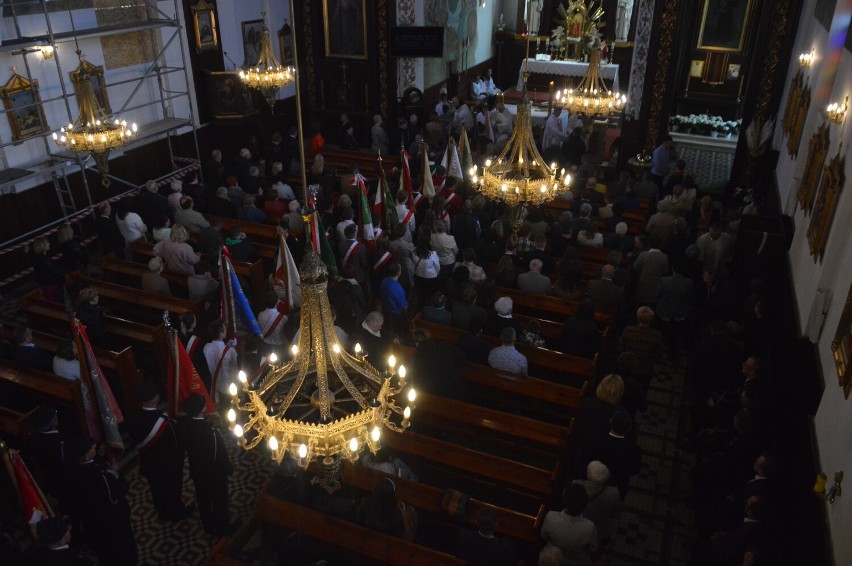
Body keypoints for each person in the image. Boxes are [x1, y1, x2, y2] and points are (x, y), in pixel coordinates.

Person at [125, 381, 190, 522]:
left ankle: (162, 512)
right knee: (172, 489)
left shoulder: (133, 417)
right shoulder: (164, 423)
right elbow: (175, 444)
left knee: (156, 489)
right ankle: (177, 512)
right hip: (167, 466)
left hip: (148, 464)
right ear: (155, 398)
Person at [66, 437, 137, 565]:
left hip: (93, 520)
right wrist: (115, 472)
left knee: (105, 547)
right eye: (92, 448)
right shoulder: (101, 476)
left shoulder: (73, 472)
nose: (94, 448)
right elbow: (119, 491)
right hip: (112, 519)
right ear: (87, 455)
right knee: (122, 547)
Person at [177, 394, 235, 537]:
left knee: (203, 499)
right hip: (215, 473)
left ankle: (208, 526)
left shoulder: (183, 427)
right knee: (220, 500)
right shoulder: (211, 433)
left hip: (197, 471)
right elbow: (220, 455)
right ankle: (223, 529)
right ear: (202, 409)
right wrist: (228, 468)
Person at [580, 411, 642, 499]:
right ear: (629, 429)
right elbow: (635, 470)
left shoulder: (596, 439)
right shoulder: (633, 450)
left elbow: (585, 457)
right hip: (616, 487)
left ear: (611, 421)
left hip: (591, 482)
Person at [541, 483, 598, 565]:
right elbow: (593, 549)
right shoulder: (590, 527)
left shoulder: (551, 516)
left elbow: (544, 535)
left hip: (552, 560)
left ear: (564, 500)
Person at [571, 461, 623, 544]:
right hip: (597, 533)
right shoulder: (614, 493)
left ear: (588, 475)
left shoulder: (575, 485)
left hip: (575, 527)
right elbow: (617, 512)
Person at [618, 306, 665, 384]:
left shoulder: (628, 330)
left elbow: (620, 348)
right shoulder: (656, 335)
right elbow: (658, 355)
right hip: (645, 370)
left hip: (627, 368)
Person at [203, 319, 239, 402]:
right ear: (221, 333)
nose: (226, 331)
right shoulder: (230, 351)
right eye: (225, 329)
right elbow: (235, 369)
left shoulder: (206, 347)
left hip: (211, 387)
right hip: (226, 389)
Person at [30, 237, 65, 303]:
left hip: (45, 286)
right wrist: (63, 279)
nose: (49, 244)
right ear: (42, 245)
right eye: (47, 243)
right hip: (53, 286)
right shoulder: (45, 260)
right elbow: (54, 273)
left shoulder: (36, 259)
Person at [380, 262, 408, 339]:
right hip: (396, 314)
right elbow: (404, 305)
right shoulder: (397, 288)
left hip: (386, 310)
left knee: (389, 329)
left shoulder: (384, 281)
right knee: (398, 331)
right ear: (398, 273)